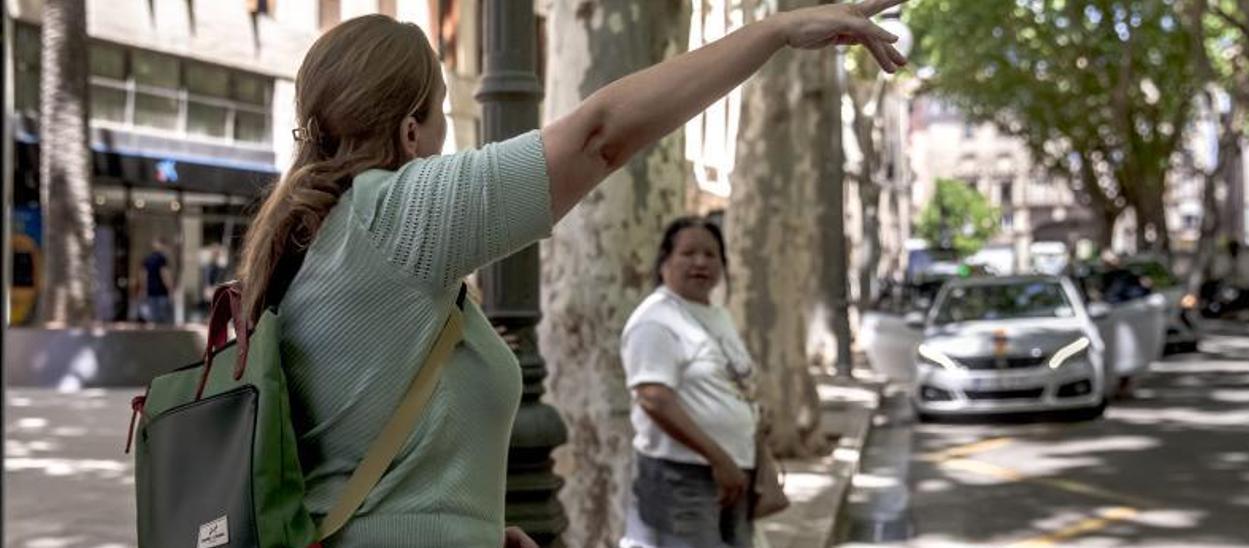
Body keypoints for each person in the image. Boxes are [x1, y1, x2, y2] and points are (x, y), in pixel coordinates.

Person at [236, 4, 904, 547]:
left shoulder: (309, 239)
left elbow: (360, 446)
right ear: (412, 132)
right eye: (443, 112)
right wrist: (777, 30)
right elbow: (600, 135)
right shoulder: (394, 214)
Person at [619, 217, 760, 548]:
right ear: (665, 261)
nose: (701, 262)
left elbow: (737, 387)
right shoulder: (655, 320)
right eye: (689, 253)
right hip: (682, 478)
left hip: (734, 473)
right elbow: (654, 398)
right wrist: (718, 459)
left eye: (711, 254)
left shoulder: (718, 315)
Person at [138, 237, 174, 325]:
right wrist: (170, 289)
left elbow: (143, 276)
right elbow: (165, 275)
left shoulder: (147, 259)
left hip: (150, 291)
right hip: (161, 291)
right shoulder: (162, 259)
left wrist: (144, 289)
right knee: (163, 318)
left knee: (152, 318)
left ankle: (153, 335)